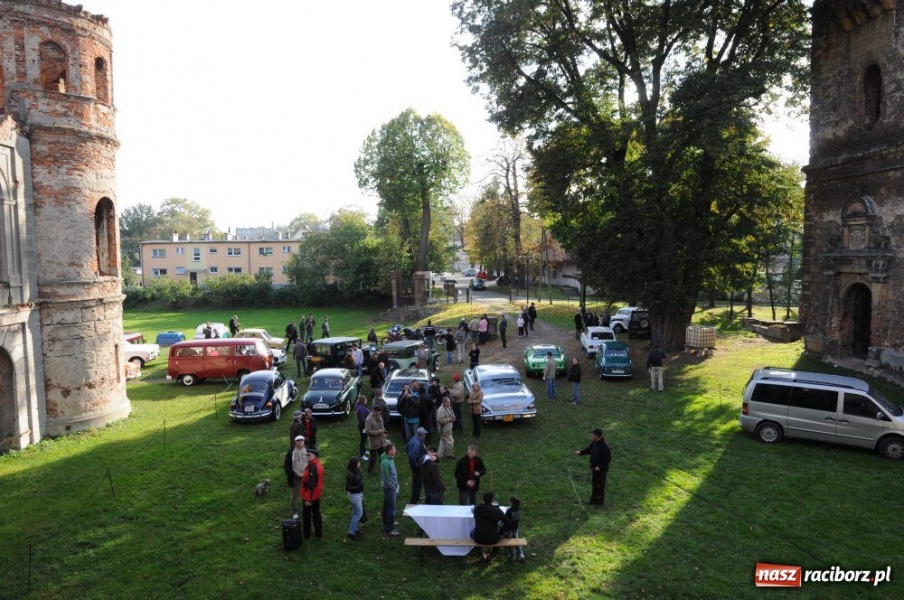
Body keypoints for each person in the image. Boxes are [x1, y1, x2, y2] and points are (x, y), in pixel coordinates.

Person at [571, 428, 612, 506]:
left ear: (597, 435)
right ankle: (593, 501)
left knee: (600, 486)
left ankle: (600, 503)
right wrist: (580, 452)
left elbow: (608, 458)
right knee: (594, 484)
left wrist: (600, 466)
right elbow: (589, 450)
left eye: (593, 434)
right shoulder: (594, 442)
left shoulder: (604, 445)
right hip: (594, 468)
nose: (592, 435)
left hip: (601, 470)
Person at [471, 491, 506, 560]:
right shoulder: (496, 510)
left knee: (471, 533)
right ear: (492, 499)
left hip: (478, 538)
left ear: (483, 499)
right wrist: (501, 532)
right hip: (493, 539)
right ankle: (492, 554)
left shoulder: (477, 508)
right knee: (503, 535)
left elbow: (475, 518)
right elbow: (507, 522)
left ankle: (481, 553)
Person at [301, 447, 324, 538]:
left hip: (310, 497)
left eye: (308, 455)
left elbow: (310, 485)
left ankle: (306, 534)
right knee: (316, 513)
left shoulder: (313, 468)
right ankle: (318, 533)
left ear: (314, 456)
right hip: (316, 495)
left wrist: (307, 499)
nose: (307, 456)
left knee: (307, 516)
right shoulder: (316, 464)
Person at [283, 435, 308, 517]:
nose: (300, 441)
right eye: (298, 440)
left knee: (308, 494)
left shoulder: (308, 450)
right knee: (295, 495)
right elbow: (286, 465)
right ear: (295, 442)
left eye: (302, 440)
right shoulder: (291, 452)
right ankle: (294, 511)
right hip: (296, 478)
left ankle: (307, 509)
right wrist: (292, 474)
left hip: (307, 477)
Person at [381, 443, 400, 536]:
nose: (395, 450)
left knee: (387, 505)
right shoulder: (385, 462)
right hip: (389, 488)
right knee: (391, 508)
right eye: (394, 449)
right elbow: (386, 477)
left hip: (389, 487)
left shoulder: (389, 459)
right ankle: (390, 528)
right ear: (389, 451)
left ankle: (387, 521)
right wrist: (393, 486)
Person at [406, 427, 428, 505]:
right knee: (417, 484)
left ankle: (416, 497)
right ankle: (414, 501)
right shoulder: (417, 444)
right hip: (417, 466)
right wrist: (417, 466)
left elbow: (407, 449)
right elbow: (412, 456)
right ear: (422, 435)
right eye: (425, 433)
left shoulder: (413, 439)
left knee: (416, 482)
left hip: (415, 465)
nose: (425, 434)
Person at [345, 457, 365, 539]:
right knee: (358, 513)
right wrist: (358, 486)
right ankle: (351, 532)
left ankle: (355, 528)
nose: (360, 464)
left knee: (355, 512)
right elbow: (348, 487)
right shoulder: (350, 475)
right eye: (358, 463)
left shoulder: (357, 471)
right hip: (354, 496)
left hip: (359, 494)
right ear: (354, 464)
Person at [365, 405, 387, 474]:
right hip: (374, 441)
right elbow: (367, 430)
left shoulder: (379, 416)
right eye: (379, 412)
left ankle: (382, 469)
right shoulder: (369, 419)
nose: (380, 413)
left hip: (381, 440)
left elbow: (382, 425)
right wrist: (377, 432)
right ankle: (370, 470)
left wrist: (384, 431)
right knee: (373, 458)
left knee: (383, 456)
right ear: (374, 411)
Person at [503, 496, 525, 562]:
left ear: (511, 503)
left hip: (509, 529)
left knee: (510, 542)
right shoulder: (519, 509)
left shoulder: (509, 511)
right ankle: (521, 555)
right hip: (515, 528)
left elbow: (505, 520)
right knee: (516, 541)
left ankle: (512, 556)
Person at [355, 394, 370, 461]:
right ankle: (362, 454)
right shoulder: (361, 409)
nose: (366, 400)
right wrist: (366, 427)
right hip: (363, 427)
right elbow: (362, 420)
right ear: (363, 400)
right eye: (365, 399)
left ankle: (364, 450)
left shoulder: (361, 407)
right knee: (363, 440)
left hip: (363, 426)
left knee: (364, 439)